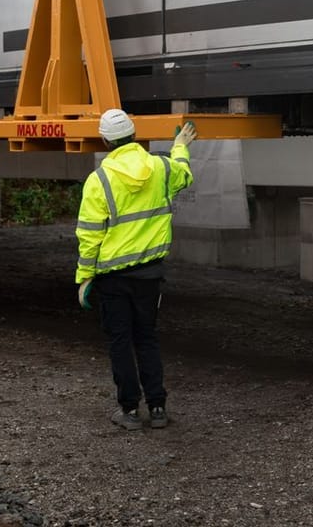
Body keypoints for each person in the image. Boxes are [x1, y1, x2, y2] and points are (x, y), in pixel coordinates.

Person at [75, 110, 195, 432]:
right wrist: (180, 145)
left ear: (105, 141)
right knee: (147, 339)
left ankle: (129, 410)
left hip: (112, 279)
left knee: (120, 342)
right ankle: (157, 408)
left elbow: (89, 235)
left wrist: (84, 277)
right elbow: (184, 173)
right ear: (135, 133)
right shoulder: (159, 167)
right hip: (150, 275)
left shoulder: (99, 180)